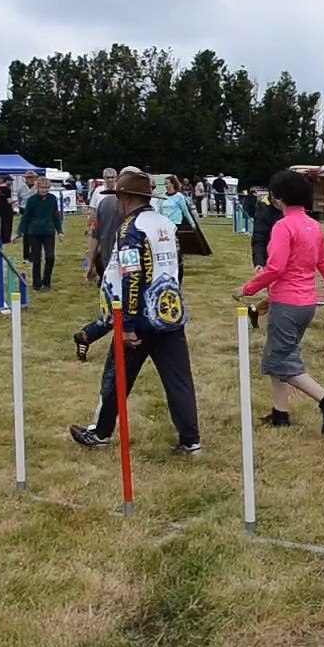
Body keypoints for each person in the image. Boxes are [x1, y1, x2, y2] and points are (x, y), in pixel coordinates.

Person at [69, 170, 202, 456]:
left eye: (118, 196)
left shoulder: (131, 230)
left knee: (116, 377)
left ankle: (101, 432)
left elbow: (131, 277)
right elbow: (178, 267)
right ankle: (191, 440)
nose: (117, 202)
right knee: (179, 380)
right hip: (168, 314)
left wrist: (127, 324)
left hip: (139, 319)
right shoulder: (165, 223)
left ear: (126, 197)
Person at [234, 170, 324, 433]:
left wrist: (247, 289)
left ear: (278, 198)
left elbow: (275, 268)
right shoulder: (314, 227)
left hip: (286, 304)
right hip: (306, 305)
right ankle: (280, 413)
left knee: (279, 361)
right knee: (278, 354)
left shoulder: (283, 227)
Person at [74, 167, 136, 361]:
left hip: (109, 265)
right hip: (128, 265)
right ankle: (89, 335)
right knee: (126, 311)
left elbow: (94, 236)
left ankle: (86, 336)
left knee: (117, 309)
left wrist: (91, 263)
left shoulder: (105, 202)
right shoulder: (132, 206)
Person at [246, 189, 286, 329]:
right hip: (272, 260)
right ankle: (275, 324)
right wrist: (259, 262)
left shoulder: (291, 210)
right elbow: (259, 239)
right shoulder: (264, 213)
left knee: (284, 293)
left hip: (291, 259)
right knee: (278, 294)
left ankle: (256, 311)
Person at [14, 178, 63, 291]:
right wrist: (19, 232)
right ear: (37, 188)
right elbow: (25, 218)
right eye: (42, 188)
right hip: (34, 233)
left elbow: (56, 216)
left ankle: (47, 282)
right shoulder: (31, 200)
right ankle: (37, 284)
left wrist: (59, 231)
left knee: (50, 257)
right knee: (36, 259)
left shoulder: (52, 199)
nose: (44, 190)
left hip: (48, 232)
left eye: (46, 188)